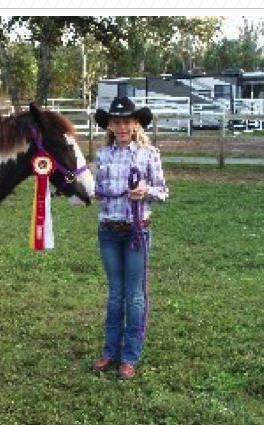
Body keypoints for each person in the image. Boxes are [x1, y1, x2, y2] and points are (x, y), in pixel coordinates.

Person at [92, 97, 169, 380]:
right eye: (116, 122)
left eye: (127, 121)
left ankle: (130, 356)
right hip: (109, 232)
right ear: (110, 125)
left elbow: (163, 192)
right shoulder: (102, 156)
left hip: (137, 231)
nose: (122, 127)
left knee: (134, 296)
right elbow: (97, 190)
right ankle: (110, 351)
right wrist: (81, 191)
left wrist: (146, 190)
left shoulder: (149, 154)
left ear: (136, 123)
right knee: (115, 295)